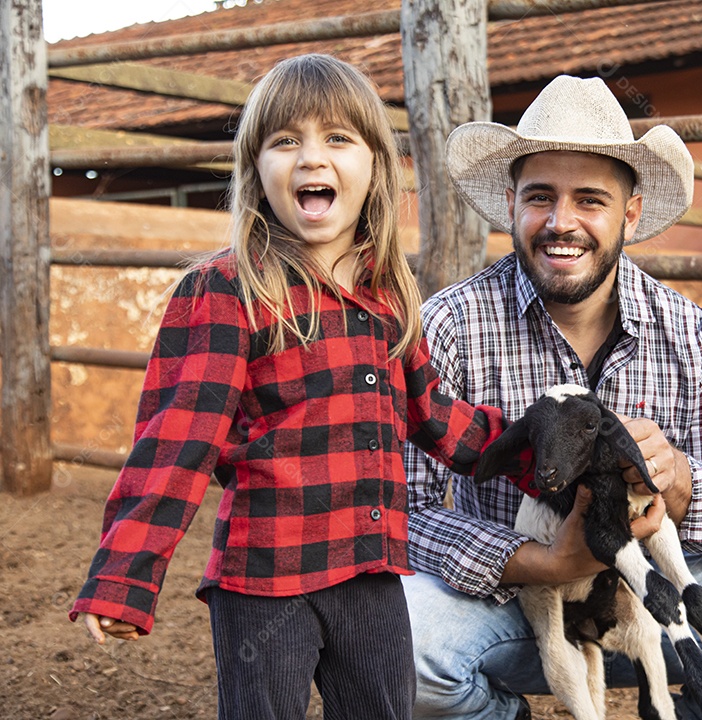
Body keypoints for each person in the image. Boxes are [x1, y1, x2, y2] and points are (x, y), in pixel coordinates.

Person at [403, 75, 702, 719]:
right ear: (510, 202)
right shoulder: (448, 327)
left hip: (660, 593)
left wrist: (680, 486)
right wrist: (538, 561)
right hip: (518, 602)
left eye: (591, 200)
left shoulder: (693, 336)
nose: (561, 222)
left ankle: (683, 709)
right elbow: (402, 511)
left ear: (630, 212)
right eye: (540, 197)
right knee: (395, 643)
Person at [69, 54, 513, 720]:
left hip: (371, 571)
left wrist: (536, 453)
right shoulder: (227, 292)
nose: (311, 158)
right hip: (264, 581)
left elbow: (439, 417)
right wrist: (123, 577)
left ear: (374, 168)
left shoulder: (387, 296)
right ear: (257, 171)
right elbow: (176, 443)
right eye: (285, 141)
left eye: (337, 139)